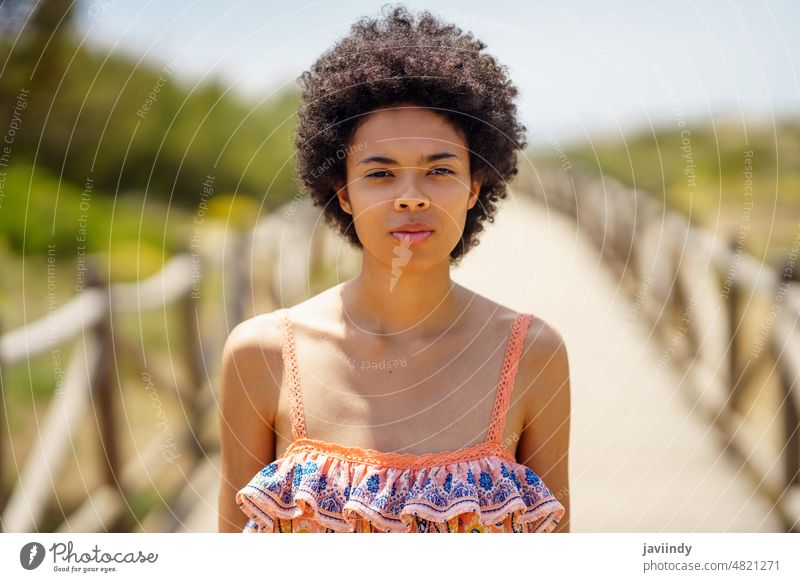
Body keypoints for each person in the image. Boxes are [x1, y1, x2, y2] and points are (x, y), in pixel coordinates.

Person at [218, 3, 571, 533]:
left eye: (439, 170)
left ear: (475, 186)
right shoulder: (261, 355)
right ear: (342, 191)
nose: (411, 198)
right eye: (380, 173)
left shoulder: (533, 355)